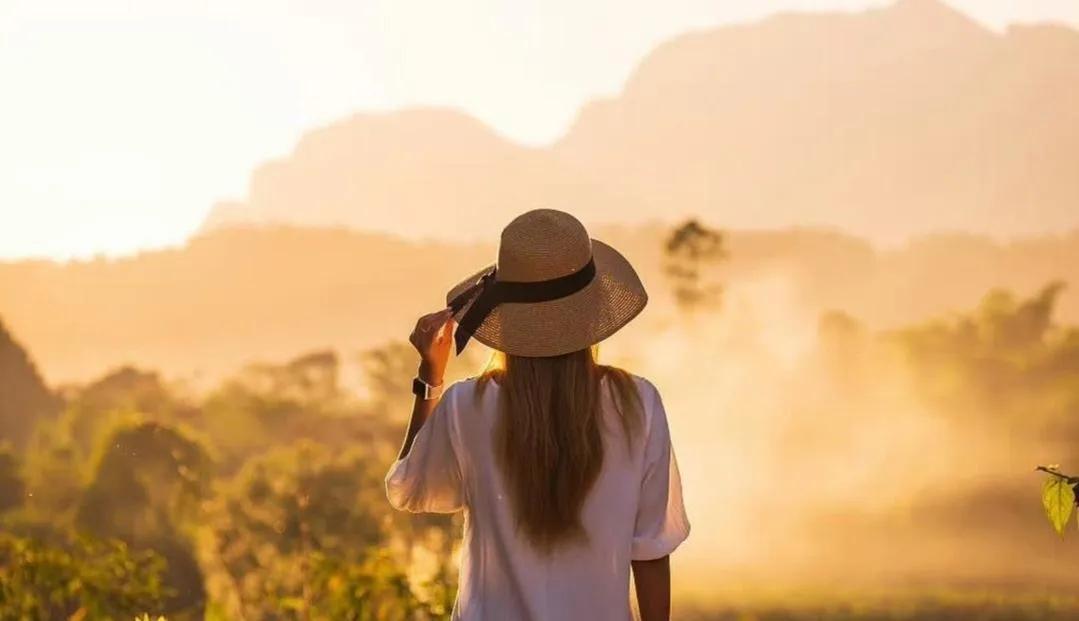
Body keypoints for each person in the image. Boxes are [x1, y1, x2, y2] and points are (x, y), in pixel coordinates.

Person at [386, 209, 690, 620]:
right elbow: (651, 551)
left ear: (504, 317)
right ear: (592, 310)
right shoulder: (637, 404)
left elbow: (408, 488)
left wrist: (430, 379)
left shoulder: (466, 406)